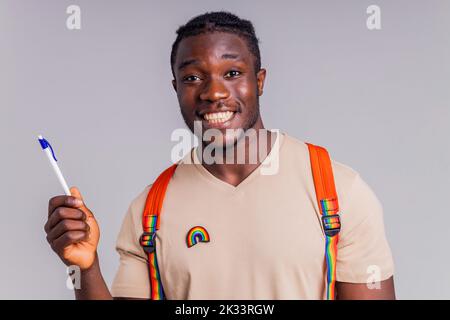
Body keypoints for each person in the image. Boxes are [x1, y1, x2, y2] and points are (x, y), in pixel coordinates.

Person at [44, 11, 395, 300]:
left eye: (232, 73)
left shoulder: (337, 191)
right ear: (176, 89)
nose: (213, 92)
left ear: (259, 81)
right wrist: (85, 268)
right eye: (193, 77)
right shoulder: (149, 210)